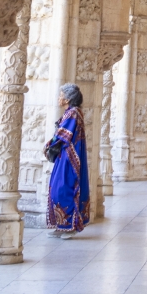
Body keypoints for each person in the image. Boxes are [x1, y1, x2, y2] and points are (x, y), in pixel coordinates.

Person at [45, 83, 89, 235]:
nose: (59, 98)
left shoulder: (74, 113)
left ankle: (69, 226)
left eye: (61, 95)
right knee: (56, 188)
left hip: (70, 157)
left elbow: (64, 134)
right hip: (64, 155)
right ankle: (61, 225)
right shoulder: (70, 112)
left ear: (68, 98)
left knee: (64, 188)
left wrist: (49, 144)